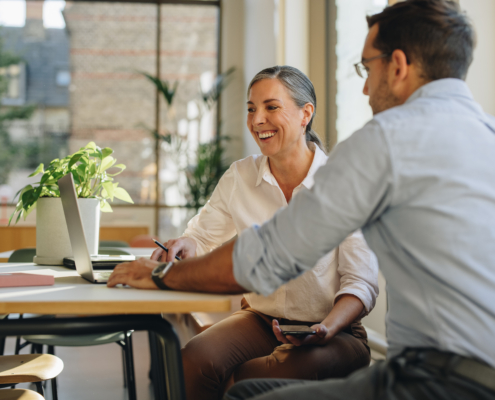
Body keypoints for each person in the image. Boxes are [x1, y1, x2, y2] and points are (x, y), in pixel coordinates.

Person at [108, 0, 495, 399]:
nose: (363, 87)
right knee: (204, 361)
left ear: (397, 65)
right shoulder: (488, 134)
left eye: (367, 67)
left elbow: (270, 256)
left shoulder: (385, 140)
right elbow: (213, 239)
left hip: (434, 378)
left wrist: (160, 277)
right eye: (252, 109)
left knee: (247, 392)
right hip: (465, 368)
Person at [149, 66, 378, 400]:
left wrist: (326, 327)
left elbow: (361, 282)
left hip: (335, 331)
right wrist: (185, 244)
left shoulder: (345, 182)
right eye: (251, 109)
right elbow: (201, 236)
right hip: (259, 319)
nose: (257, 120)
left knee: (252, 378)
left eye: (271, 107)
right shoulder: (240, 176)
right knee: (190, 363)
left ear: (305, 114)